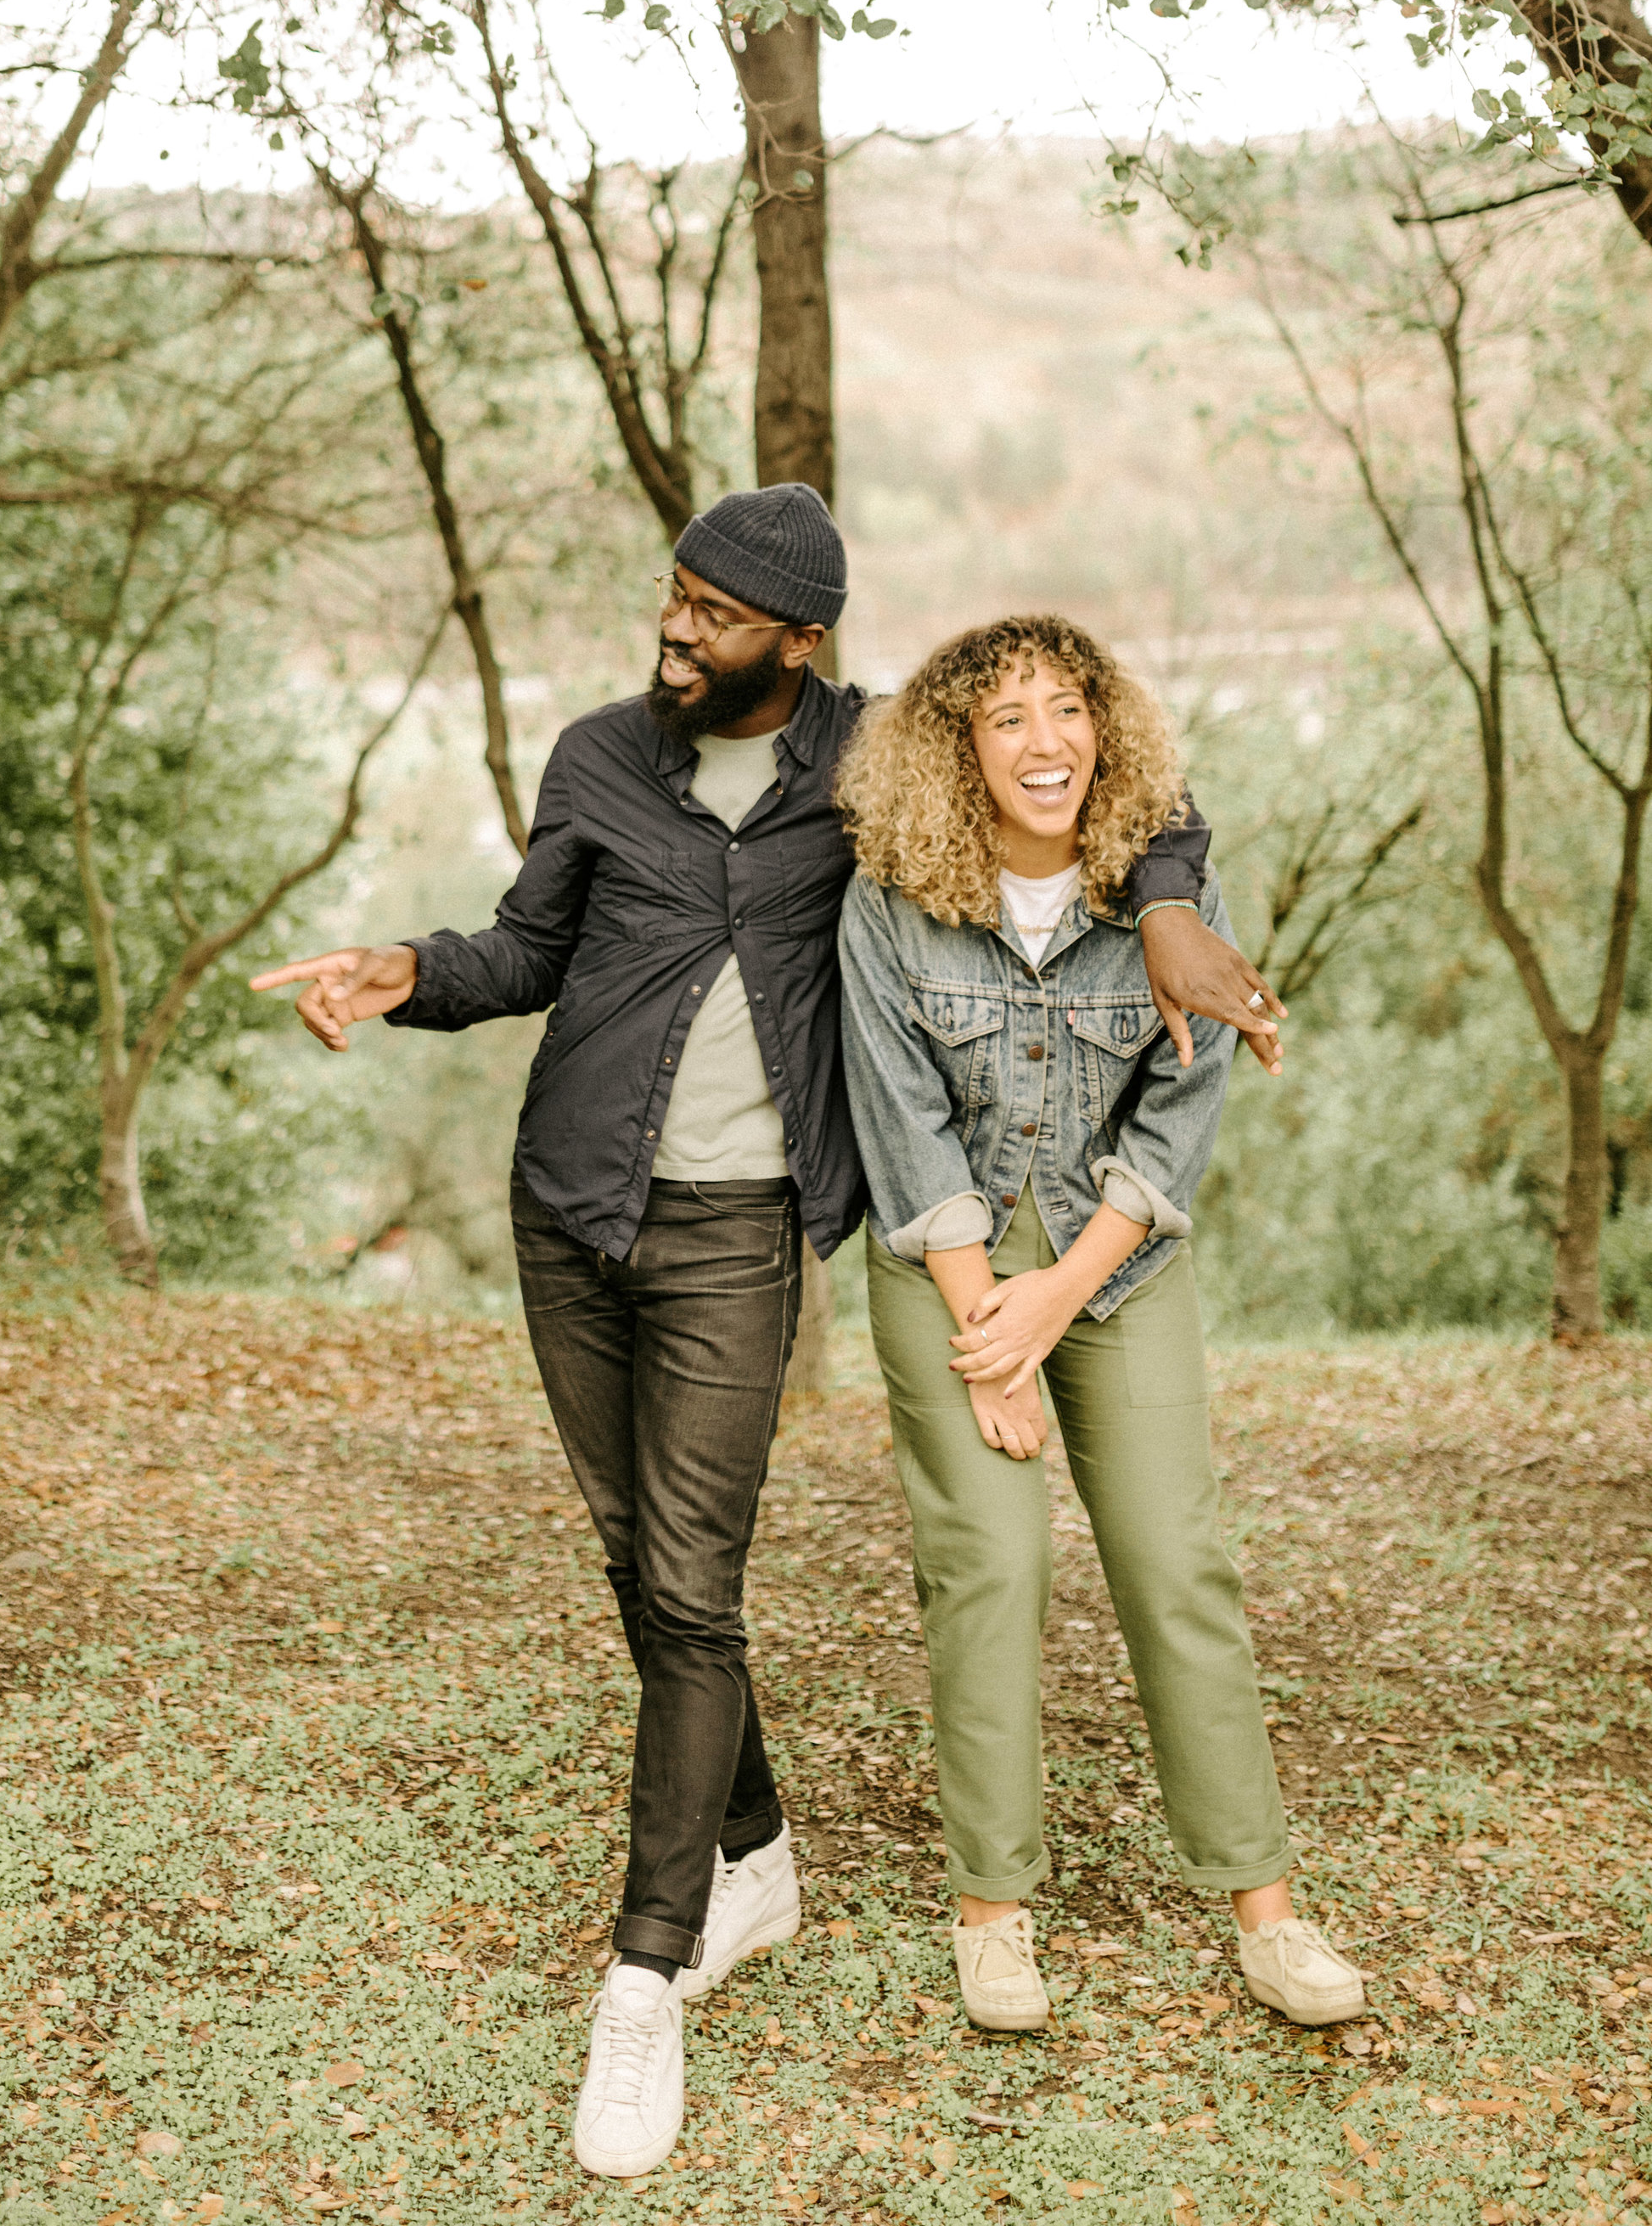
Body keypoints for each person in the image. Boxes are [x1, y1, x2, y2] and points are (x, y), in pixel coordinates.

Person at [250, 492, 1283, 2178]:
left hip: (741, 1234)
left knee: (689, 1583)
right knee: (633, 1563)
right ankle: (755, 1851)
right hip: (570, 1203)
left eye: (714, 612)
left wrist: (1170, 902)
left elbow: (1090, 781)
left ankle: (644, 1974)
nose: (676, 628)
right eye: (676, 595)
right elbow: (526, 946)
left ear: (796, 642)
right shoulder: (597, 756)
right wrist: (400, 971)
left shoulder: (875, 759)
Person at [837, 614, 1363, 2039]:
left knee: (1175, 1559)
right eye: (1006, 716)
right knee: (991, 1565)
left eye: (1067, 707)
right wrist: (982, 1329)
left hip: (1112, 1260)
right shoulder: (891, 895)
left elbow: (1173, 1124)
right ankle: (993, 1916)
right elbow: (900, 1123)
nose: (1044, 739)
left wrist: (1055, 1303)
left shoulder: (1165, 908)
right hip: (946, 1252)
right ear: (959, 746)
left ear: (1106, 730)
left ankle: (1265, 1909)